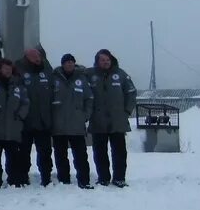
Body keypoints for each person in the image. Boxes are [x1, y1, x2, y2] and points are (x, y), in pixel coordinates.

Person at [86, 49, 137, 187]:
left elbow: (131, 93)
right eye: (102, 60)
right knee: (100, 152)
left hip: (117, 121)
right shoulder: (90, 75)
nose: (106, 62)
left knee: (119, 152)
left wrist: (126, 111)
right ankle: (103, 177)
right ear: (97, 61)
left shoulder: (120, 75)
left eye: (107, 60)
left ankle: (119, 178)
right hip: (98, 121)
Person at [0, 58, 29, 188]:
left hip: (13, 127)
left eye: (10, 69)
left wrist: (20, 116)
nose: (8, 71)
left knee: (13, 157)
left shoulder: (18, 84)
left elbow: (25, 102)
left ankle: (14, 180)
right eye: (5, 68)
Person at [51, 54, 94, 189]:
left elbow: (89, 99)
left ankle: (84, 179)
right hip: (59, 125)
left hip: (76, 124)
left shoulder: (81, 79)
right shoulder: (54, 79)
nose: (69, 64)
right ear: (62, 64)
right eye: (66, 62)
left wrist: (85, 115)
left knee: (80, 155)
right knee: (60, 154)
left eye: (71, 62)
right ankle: (64, 179)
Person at [15, 48, 54, 186]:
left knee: (45, 152)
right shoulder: (19, 71)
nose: (37, 58)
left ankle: (46, 177)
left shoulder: (46, 70)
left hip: (43, 121)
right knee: (23, 152)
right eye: (33, 56)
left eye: (38, 55)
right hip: (26, 121)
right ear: (26, 57)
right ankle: (22, 177)